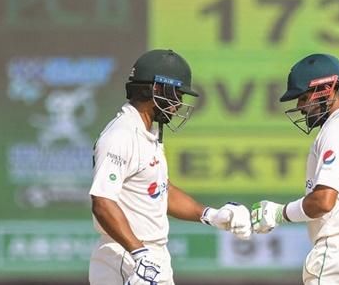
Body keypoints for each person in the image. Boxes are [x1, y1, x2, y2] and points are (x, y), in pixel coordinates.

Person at [89, 49, 252, 285]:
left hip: (149, 257)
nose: (178, 104)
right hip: (125, 254)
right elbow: (102, 201)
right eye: (176, 94)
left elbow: (160, 190)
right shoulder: (121, 135)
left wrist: (210, 215)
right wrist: (139, 253)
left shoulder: (147, 134)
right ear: (156, 89)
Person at [251, 53, 339, 284]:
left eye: (304, 98)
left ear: (326, 90)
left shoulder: (336, 129)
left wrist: (278, 213)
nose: (300, 107)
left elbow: (324, 201)